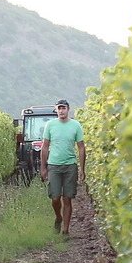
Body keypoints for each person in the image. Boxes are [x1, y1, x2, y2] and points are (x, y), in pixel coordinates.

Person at [40, 99, 85, 235]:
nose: (61, 111)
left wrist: (82, 169)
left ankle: (66, 230)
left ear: (68, 109)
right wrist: (43, 167)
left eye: (63, 108)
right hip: (54, 165)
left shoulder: (76, 125)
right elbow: (45, 146)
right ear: (56, 110)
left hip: (70, 165)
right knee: (55, 197)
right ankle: (58, 217)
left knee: (67, 198)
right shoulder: (50, 125)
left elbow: (81, 147)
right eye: (59, 108)